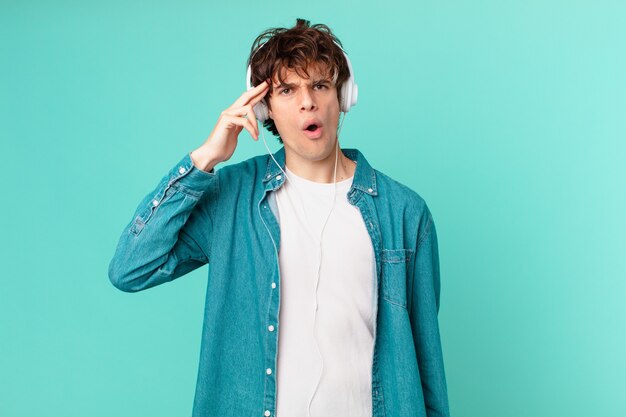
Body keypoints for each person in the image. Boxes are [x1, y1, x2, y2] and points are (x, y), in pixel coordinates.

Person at [108, 18, 450, 417]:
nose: (307, 102)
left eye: (320, 85)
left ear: (343, 96)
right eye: (287, 90)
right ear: (263, 106)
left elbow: (426, 364)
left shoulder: (404, 212)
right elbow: (130, 269)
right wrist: (204, 160)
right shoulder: (232, 197)